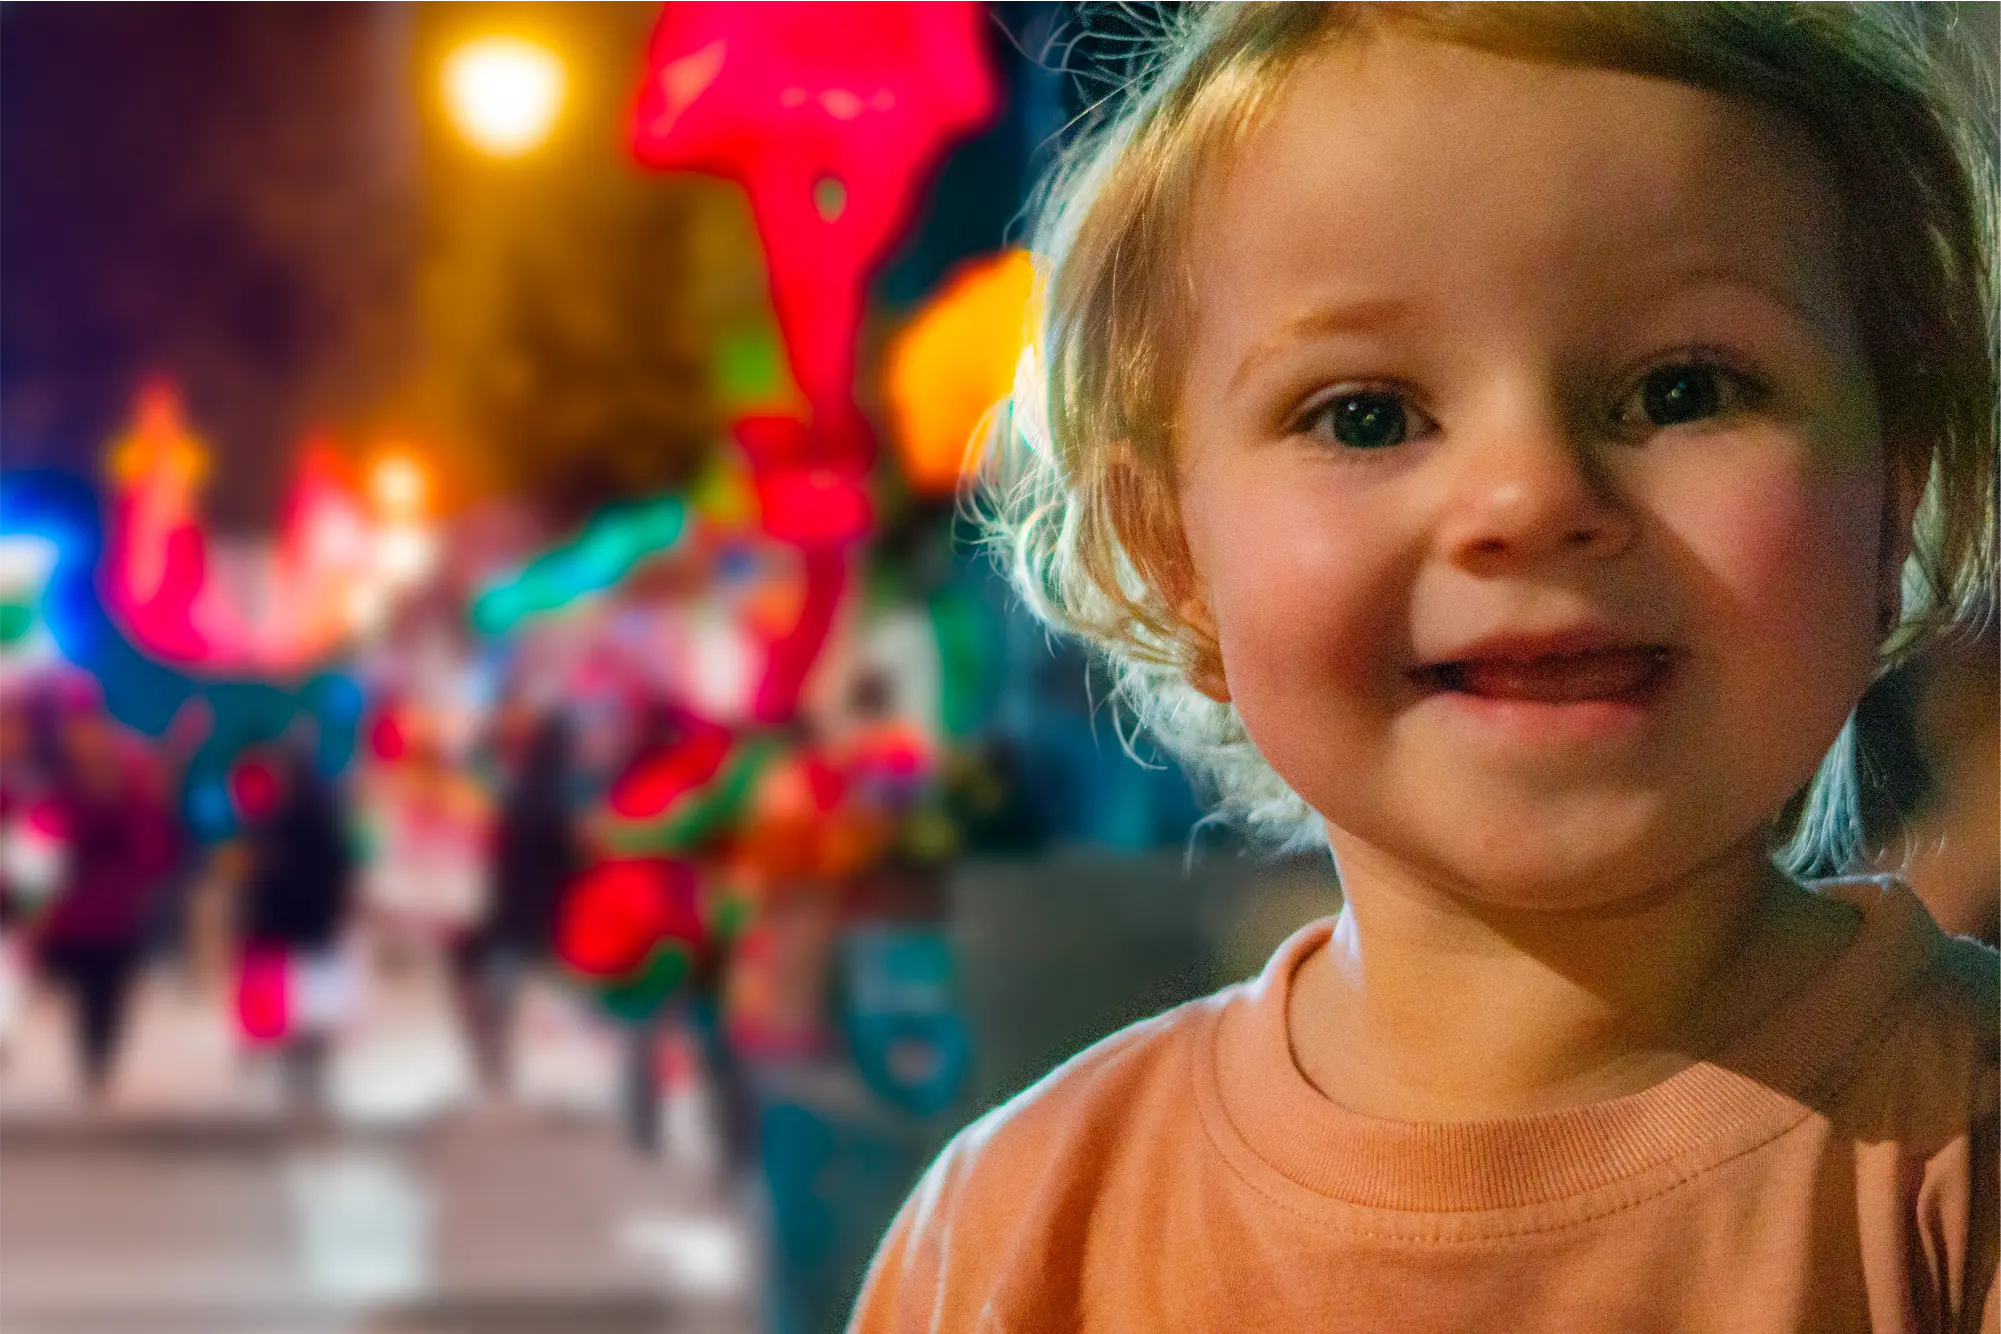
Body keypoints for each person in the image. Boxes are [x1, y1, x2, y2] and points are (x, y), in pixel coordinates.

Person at [850, 5, 2001, 1330]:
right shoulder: (1020, 1227)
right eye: (1367, 414)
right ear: (1173, 555)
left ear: (1893, 494)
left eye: (1684, 390)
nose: (1526, 494)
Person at [34, 679, 177, 1102]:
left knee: (108, 992)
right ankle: (92, 1062)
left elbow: (148, 839)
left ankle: (99, 1062)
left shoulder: (128, 772)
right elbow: (51, 833)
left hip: (114, 909)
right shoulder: (64, 776)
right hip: (77, 909)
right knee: (85, 991)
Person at [457, 709, 579, 1095]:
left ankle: (493, 1063)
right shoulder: (554, 792)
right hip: (517, 908)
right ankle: (495, 1064)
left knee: (494, 988)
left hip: (495, 905)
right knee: (501, 989)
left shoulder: (502, 786)